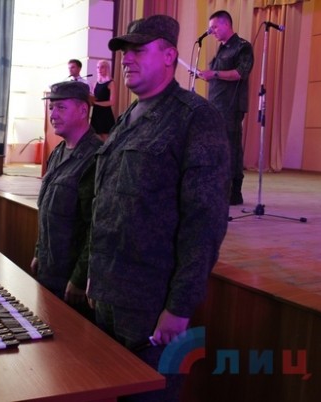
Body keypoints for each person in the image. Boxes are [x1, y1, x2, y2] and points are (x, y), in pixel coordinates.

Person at [87, 15, 231, 401]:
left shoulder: (195, 118)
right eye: (124, 51)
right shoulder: (126, 119)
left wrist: (180, 306)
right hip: (108, 296)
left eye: (138, 50)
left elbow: (205, 222)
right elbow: (105, 206)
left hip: (151, 307)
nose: (127, 59)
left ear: (169, 56)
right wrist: (94, 277)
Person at [30, 81, 102, 319]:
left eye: (61, 107)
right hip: (49, 269)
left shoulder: (96, 157)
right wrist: (39, 252)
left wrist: (80, 278)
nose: (53, 115)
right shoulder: (58, 152)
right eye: (51, 108)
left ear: (83, 110)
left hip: (72, 281)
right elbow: (47, 209)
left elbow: (96, 226)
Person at [197, 10, 254, 205]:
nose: (211, 31)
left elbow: (241, 72)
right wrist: (205, 75)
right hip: (216, 105)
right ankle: (220, 188)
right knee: (218, 147)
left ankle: (234, 193)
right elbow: (219, 76)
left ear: (226, 24)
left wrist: (214, 74)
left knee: (231, 147)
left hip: (231, 106)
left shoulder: (242, 47)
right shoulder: (221, 48)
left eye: (214, 27)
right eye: (210, 28)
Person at [90, 59, 117, 141]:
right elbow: (94, 98)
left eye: (102, 67)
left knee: (106, 138)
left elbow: (112, 102)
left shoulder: (111, 83)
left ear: (107, 69)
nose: (99, 69)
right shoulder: (96, 83)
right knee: (96, 137)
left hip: (105, 113)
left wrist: (96, 103)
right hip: (96, 113)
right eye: (98, 67)